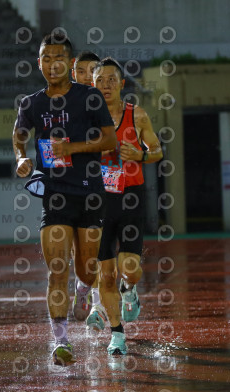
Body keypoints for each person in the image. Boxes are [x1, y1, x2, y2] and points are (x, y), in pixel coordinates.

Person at [12, 33, 117, 365]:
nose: (52, 64)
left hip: (89, 194)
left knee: (86, 270)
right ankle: (61, 342)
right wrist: (21, 158)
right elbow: (18, 135)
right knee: (57, 269)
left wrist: (72, 148)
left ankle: (83, 290)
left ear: (70, 64)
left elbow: (109, 140)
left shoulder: (89, 97)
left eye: (58, 58)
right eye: (46, 58)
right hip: (55, 196)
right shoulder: (31, 103)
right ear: (39, 63)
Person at [83, 57, 163, 355]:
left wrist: (140, 155)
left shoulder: (136, 115)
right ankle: (117, 335)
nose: (105, 86)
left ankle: (130, 290)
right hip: (97, 202)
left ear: (121, 84)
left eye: (111, 80)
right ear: (92, 85)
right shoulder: (85, 119)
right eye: (99, 81)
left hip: (130, 197)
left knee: (129, 268)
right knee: (105, 275)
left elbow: (157, 151)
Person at [69, 50, 101, 322]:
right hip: (71, 186)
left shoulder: (108, 103)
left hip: (105, 185)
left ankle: (98, 308)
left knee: (105, 249)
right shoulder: (62, 105)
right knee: (80, 254)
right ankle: (82, 286)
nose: (86, 77)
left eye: (92, 72)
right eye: (81, 71)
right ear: (73, 73)